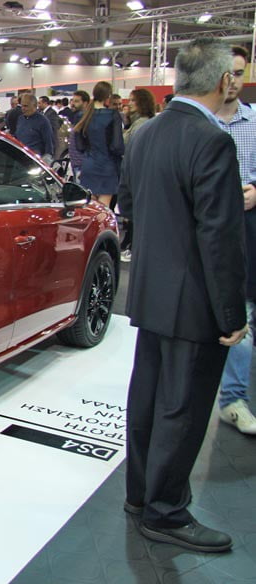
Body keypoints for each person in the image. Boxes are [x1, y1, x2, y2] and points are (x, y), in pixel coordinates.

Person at [117, 38, 246, 553]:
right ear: (224, 81)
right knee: (184, 408)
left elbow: (129, 205)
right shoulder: (211, 140)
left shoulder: (145, 133)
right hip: (194, 301)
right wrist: (231, 314)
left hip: (150, 292)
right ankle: (166, 512)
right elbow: (219, 236)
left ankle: (140, 495)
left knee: (148, 400)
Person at [214, 45, 256, 436]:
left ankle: (233, 400)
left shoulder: (255, 123)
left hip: (246, 229)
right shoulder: (197, 123)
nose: (232, 81)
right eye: (227, 72)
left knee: (243, 312)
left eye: (239, 73)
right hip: (202, 231)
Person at [118, 88, 156, 263]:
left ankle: (134, 248)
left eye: (133, 100)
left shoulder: (142, 125)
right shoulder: (136, 123)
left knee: (135, 213)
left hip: (137, 174)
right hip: (136, 173)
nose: (129, 103)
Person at [75, 81, 124, 206]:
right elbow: (117, 146)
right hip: (107, 167)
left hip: (88, 166)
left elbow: (79, 146)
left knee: (91, 209)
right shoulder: (113, 115)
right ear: (108, 96)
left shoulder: (82, 115)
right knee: (103, 210)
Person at [14, 93, 54, 162]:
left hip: (34, 161)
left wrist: (46, 160)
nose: (23, 108)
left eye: (26, 106)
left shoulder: (43, 121)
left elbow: (49, 144)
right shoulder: (20, 119)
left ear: (35, 106)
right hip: (19, 159)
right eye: (22, 106)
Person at [67, 90, 91, 178]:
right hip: (77, 165)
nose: (72, 104)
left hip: (82, 166)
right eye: (72, 101)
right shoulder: (77, 118)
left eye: (76, 101)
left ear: (85, 103)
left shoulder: (86, 120)